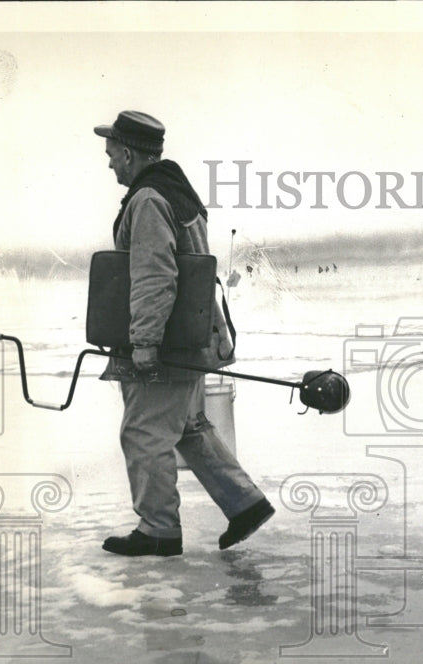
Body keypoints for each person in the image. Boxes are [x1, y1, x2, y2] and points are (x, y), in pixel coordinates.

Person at [94, 110, 274, 557]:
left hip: (169, 344)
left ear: (131, 154)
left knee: (145, 433)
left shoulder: (149, 199)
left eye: (113, 154)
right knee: (188, 427)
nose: (110, 163)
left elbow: (156, 276)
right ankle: (244, 503)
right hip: (192, 338)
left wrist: (145, 343)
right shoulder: (178, 192)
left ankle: (158, 530)